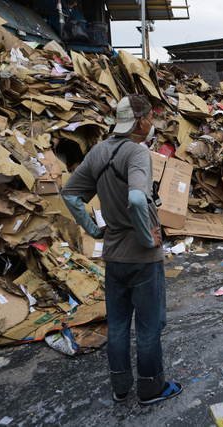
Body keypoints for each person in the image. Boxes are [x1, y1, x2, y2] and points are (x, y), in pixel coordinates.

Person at [62, 94, 182, 405]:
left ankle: (120, 387)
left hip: (113, 253)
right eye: (150, 118)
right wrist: (145, 238)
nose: (152, 123)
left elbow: (71, 195)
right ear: (140, 121)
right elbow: (139, 199)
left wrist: (92, 230)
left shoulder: (98, 152)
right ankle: (151, 388)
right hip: (142, 256)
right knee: (149, 324)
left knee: (116, 324)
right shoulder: (138, 153)